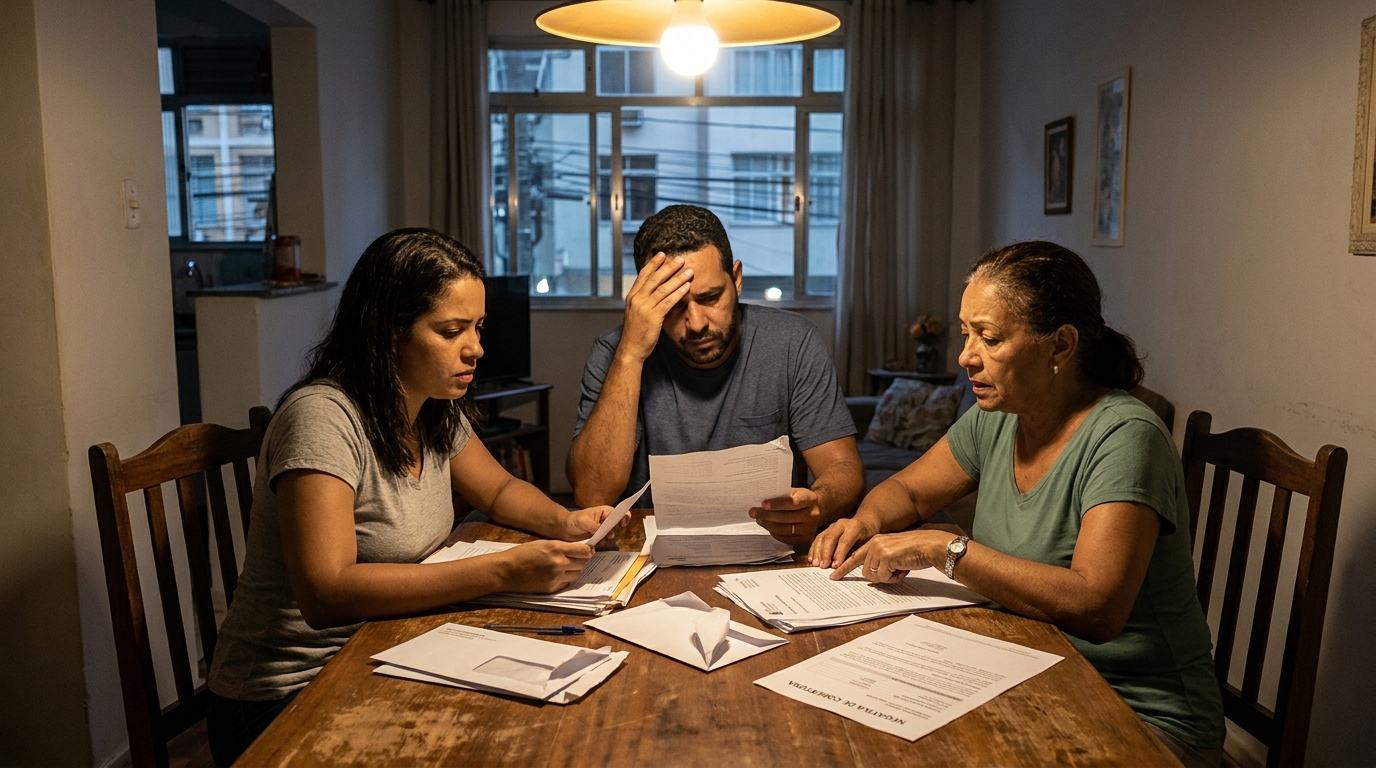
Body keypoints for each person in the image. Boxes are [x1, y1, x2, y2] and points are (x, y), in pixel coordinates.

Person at [206, 229, 618, 766]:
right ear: (388, 334)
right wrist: (500, 571)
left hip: (382, 650)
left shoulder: (432, 406)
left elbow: (497, 488)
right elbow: (326, 593)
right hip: (286, 695)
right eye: (451, 331)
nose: (476, 348)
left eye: (478, 327)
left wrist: (567, 522)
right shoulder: (323, 418)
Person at [809, 241, 1225, 767]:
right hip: (1035, 673)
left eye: (989, 337)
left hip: (1138, 715)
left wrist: (946, 549)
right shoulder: (998, 414)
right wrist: (864, 521)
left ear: (1060, 346)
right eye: (966, 334)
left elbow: (1096, 608)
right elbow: (910, 491)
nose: (966, 356)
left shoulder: (1125, 436)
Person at [568, 205, 864, 544]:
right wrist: (631, 355)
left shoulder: (793, 343)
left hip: (765, 547)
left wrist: (818, 505)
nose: (696, 323)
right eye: (674, 305)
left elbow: (844, 469)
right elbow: (591, 494)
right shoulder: (614, 353)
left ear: (736, 279)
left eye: (710, 298)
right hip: (650, 550)